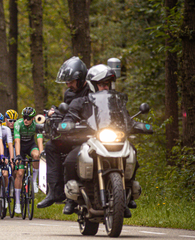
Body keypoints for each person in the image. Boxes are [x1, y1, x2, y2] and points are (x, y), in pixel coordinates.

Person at [62, 64, 137, 216]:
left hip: (114, 141)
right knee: (70, 161)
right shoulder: (81, 102)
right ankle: (70, 200)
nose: (104, 87)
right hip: (89, 141)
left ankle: (126, 197)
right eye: (101, 84)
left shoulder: (116, 103)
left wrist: (138, 125)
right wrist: (67, 124)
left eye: (107, 84)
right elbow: (69, 116)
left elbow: (127, 119)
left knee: (133, 154)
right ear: (92, 84)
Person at [38, 56, 90, 209]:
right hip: (73, 136)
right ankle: (55, 192)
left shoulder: (92, 91)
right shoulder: (69, 94)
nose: (68, 85)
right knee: (51, 147)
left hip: (89, 137)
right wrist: (55, 114)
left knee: (70, 161)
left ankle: (71, 199)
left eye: (71, 81)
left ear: (80, 79)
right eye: (66, 82)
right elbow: (66, 113)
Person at [13, 107, 44, 213]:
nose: (26, 120)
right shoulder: (18, 124)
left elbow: (39, 140)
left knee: (36, 155)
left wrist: (42, 153)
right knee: (20, 174)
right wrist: (17, 155)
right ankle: (17, 203)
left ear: (33, 118)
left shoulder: (37, 124)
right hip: (20, 147)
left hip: (30, 145)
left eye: (29, 118)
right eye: (24, 117)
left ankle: (34, 181)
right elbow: (17, 141)